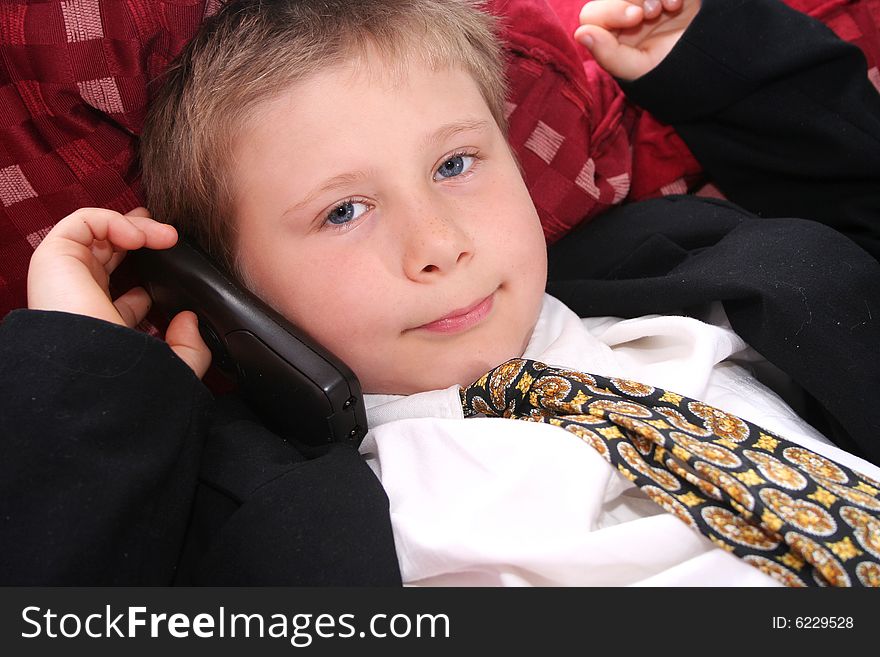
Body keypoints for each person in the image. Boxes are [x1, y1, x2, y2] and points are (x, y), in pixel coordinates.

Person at [3, 0, 880, 585]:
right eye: (344, 210)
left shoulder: (684, 267)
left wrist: (720, 67)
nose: (439, 246)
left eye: (456, 164)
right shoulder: (252, 508)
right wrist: (89, 372)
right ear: (227, 288)